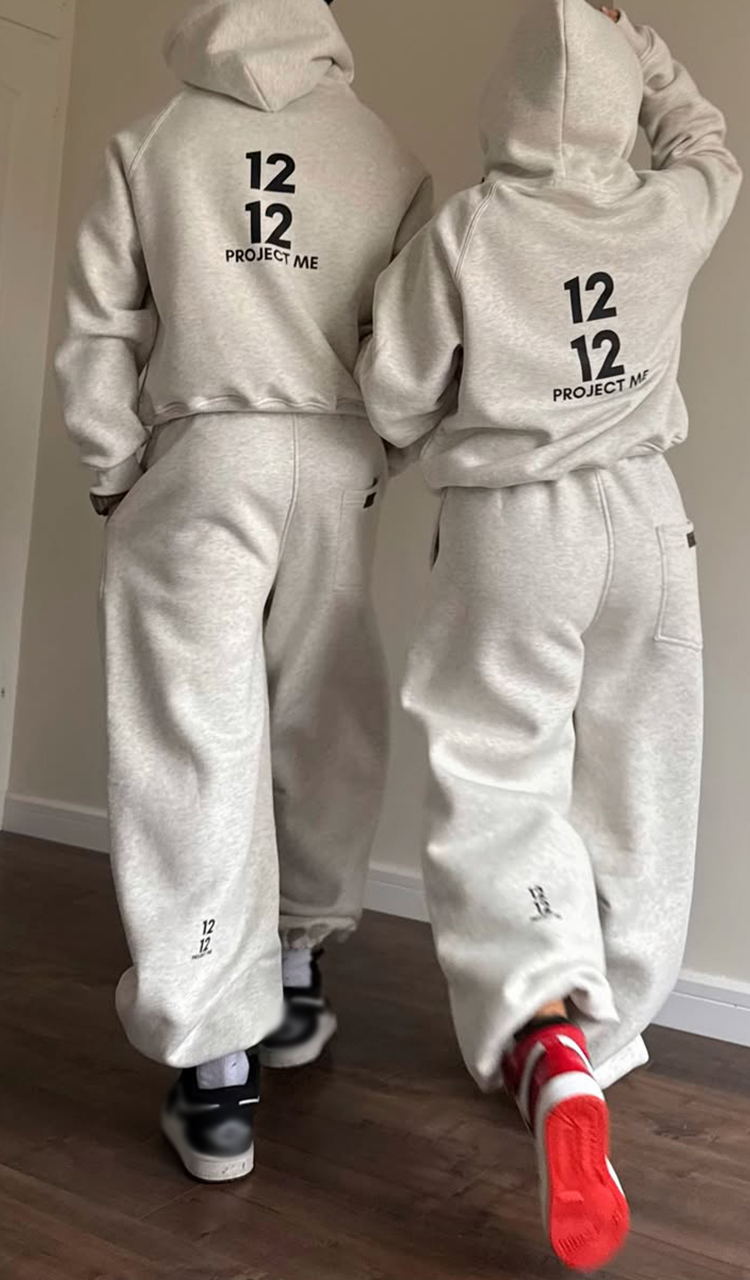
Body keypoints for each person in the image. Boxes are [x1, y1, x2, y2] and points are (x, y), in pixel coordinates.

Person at [359, 0, 741, 1269]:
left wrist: (437, 426)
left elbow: (393, 389)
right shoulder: (666, 209)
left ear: (505, 103)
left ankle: (546, 1027)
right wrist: (649, 52)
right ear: (620, 101)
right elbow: (712, 145)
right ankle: (607, 1029)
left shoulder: (473, 228)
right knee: (644, 773)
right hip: (647, 517)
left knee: (499, 770)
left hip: (515, 524)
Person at [56, 0, 430, 1184]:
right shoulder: (382, 150)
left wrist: (114, 466)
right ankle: (299, 968)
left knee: (193, 744)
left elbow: (100, 328)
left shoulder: (153, 140)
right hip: (329, 459)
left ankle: (219, 1074)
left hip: (202, 454)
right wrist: (376, 451)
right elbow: (411, 346)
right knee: (322, 714)